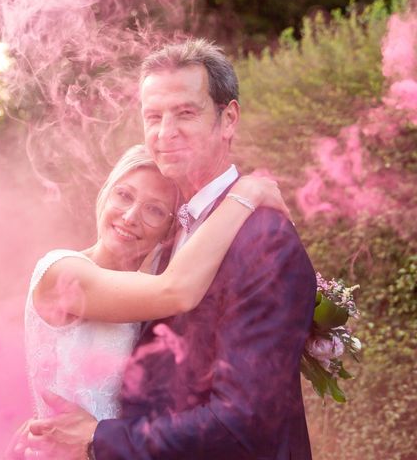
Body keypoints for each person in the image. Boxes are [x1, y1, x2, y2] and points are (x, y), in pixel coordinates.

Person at [26, 39, 317, 460]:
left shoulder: (263, 238)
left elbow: (244, 421)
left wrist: (98, 438)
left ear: (228, 118)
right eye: (153, 116)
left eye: (185, 113)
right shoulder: (167, 245)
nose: (166, 132)